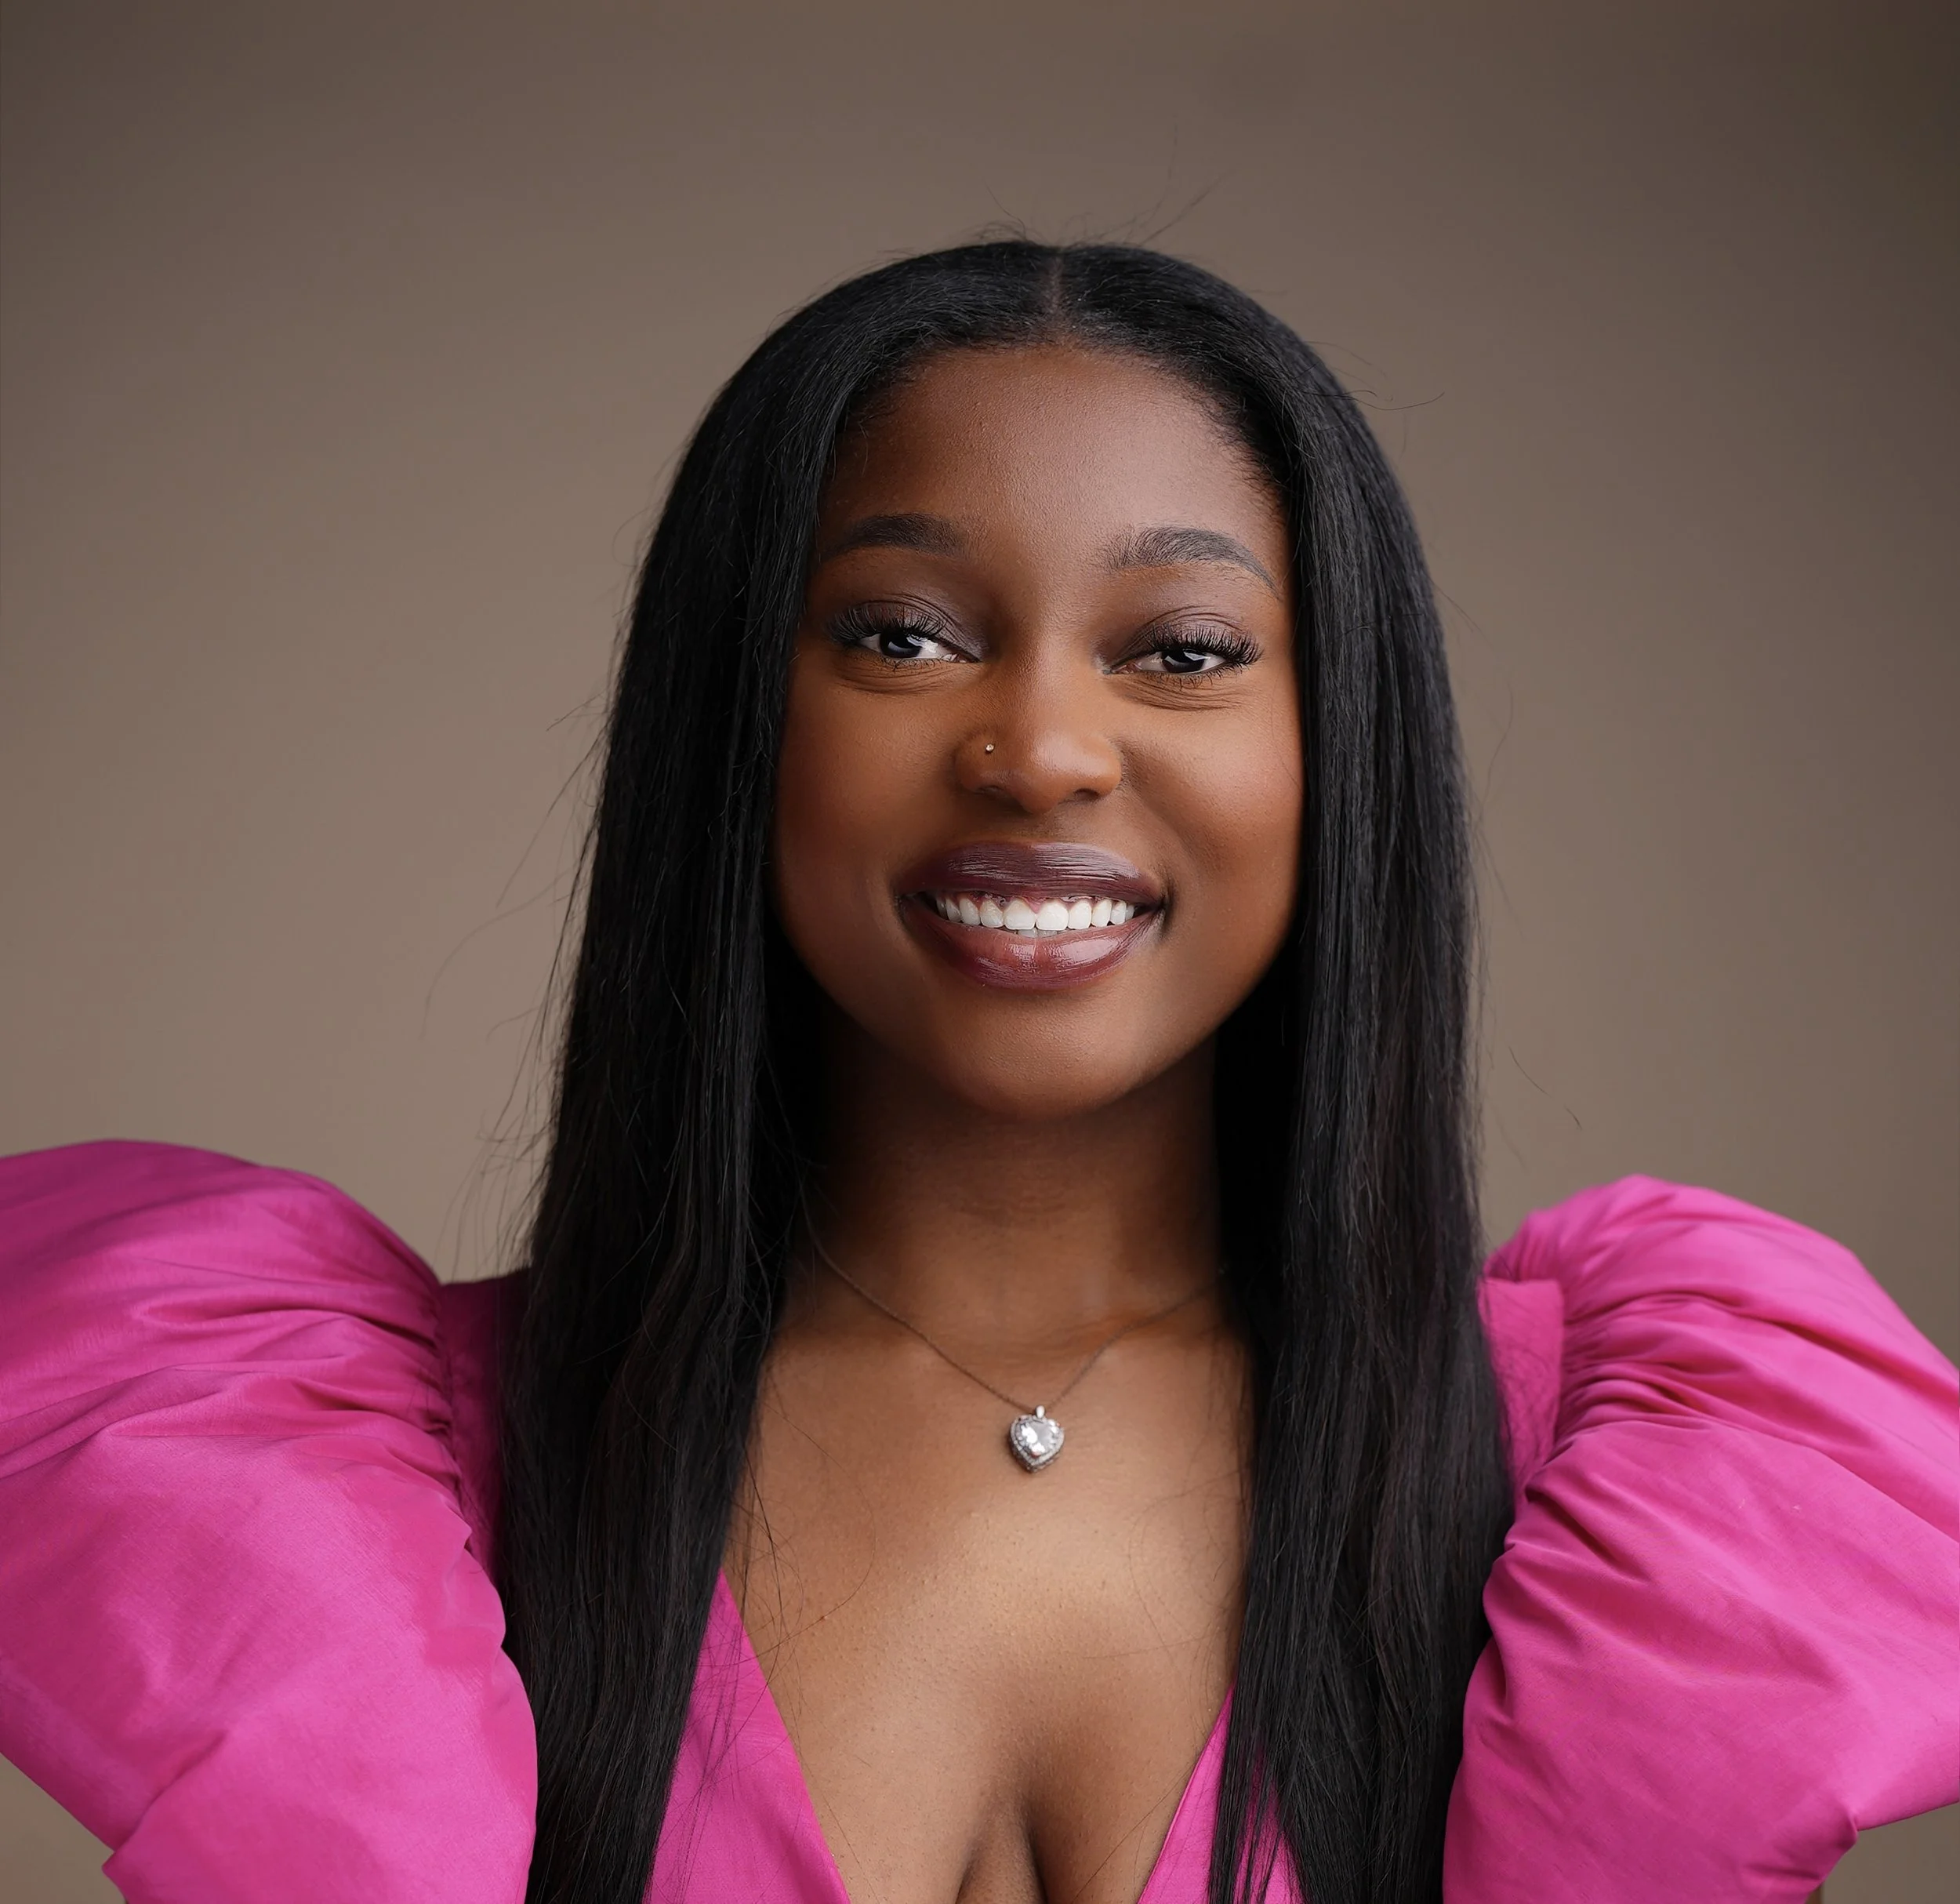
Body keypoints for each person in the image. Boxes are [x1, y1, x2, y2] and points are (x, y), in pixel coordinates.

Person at [0, 243, 1952, 1904]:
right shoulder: (338, 1477)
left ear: (1337, 744)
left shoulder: (1627, 1489)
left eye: (1180, 649)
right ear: (736, 723)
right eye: (904, 632)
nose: (1036, 749)